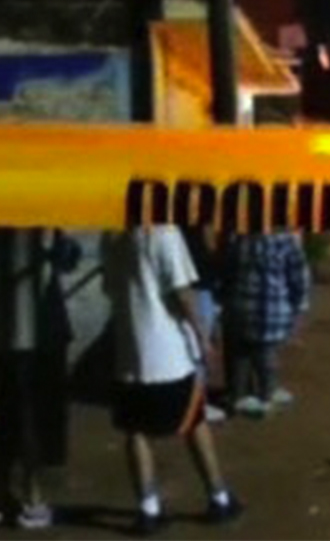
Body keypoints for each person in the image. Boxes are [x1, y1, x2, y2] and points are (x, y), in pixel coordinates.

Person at [101, 225, 241, 534]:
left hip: (129, 353)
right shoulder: (164, 233)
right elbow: (182, 293)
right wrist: (203, 337)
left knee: (136, 430)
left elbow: (109, 288)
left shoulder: (112, 236)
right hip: (169, 353)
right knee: (194, 420)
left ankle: (148, 508)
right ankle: (218, 497)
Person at [0, 228, 79, 530]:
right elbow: (67, 259)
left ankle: (14, 496)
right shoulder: (39, 223)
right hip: (35, 335)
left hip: (21, 332)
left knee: (14, 417)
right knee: (31, 419)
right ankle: (33, 498)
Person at [221, 231, 311, 418]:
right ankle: (267, 394)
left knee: (242, 354)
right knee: (265, 355)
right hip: (270, 310)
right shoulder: (286, 241)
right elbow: (300, 279)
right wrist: (299, 308)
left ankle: (238, 396)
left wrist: (223, 299)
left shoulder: (240, 238)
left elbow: (227, 273)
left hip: (241, 307)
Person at [180, 227, 228, 423]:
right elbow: (208, 256)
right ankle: (197, 405)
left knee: (198, 347)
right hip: (198, 290)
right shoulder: (194, 230)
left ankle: (195, 401)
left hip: (201, 289)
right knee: (200, 349)